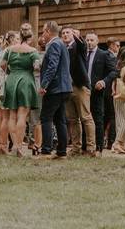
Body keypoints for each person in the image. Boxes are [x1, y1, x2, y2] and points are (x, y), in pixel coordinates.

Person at [0, 29, 38, 156]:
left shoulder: (9, 50)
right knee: (22, 116)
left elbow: (3, 65)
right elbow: (37, 66)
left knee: (12, 115)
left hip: (11, 80)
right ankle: (18, 146)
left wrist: (12, 71)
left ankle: (15, 145)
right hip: (26, 81)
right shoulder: (33, 51)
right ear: (30, 38)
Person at [37, 21, 72, 159]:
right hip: (64, 87)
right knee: (60, 119)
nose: (42, 34)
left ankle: (46, 150)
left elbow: (52, 66)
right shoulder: (61, 44)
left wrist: (44, 85)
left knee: (46, 117)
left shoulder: (54, 44)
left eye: (43, 31)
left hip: (55, 88)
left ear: (48, 31)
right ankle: (61, 151)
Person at [61, 26, 96, 157]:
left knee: (86, 117)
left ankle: (91, 148)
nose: (65, 35)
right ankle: (76, 148)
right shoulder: (62, 48)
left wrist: (77, 36)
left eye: (67, 32)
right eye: (63, 33)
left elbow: (83, 45)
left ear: (73, 34)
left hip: (80, 86)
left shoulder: (79, 46)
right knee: (72, 119)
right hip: (67, 87)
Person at [84, 32, 117, 155]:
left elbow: (114, 71)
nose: (89, 42)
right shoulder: (83, 54)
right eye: (87, 40)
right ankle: (85, 146)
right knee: (84, 119)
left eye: (92, 40)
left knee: (98, 119)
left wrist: (104, 82)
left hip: (97, 91)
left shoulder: (103, 55)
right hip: (84, 91)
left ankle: (98, 147)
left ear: (97, 41)